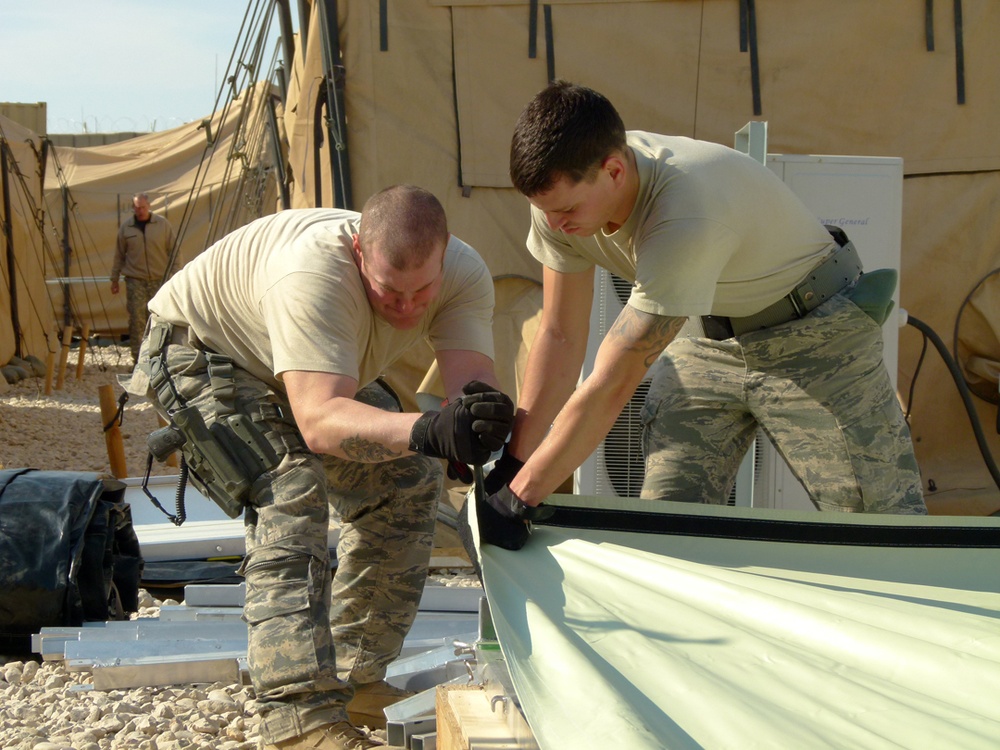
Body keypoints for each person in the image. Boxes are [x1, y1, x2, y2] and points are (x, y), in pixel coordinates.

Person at [125, 185, 513, 750]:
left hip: (304, 370)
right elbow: (320, 425)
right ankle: (298, 720)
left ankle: (356, 678)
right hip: (204, 351)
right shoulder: (312, 271)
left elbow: (468, 396)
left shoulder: (463, 271)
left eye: (421, 290)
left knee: (409, 476)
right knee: (289, 487)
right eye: (388, 289)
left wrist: (478, 437)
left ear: (446, 253)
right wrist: (429, 429)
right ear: (358, 251)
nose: (406, 307)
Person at [478, 81, 926, 550]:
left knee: (883, 531)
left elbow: (615, 378)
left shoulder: (684, 210)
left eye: (566, 209)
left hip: (814, 331)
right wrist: (514, 461)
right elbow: (560, 334)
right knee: (669, 528)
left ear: (614, 170)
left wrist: (520, 498)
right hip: (707, 337)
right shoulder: (557, 201)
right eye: (543, 210)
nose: (555, 225)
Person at [110, 192, 178, 364]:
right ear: (133, 207)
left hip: (159, 279)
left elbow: (174, 252)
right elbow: (119, 255)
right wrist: (114, 278)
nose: (139, 210)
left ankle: (163, 358)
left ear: (148, 206)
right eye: (136, 207)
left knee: (162, 319)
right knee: (137, 320)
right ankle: (139, 361)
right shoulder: (127, 228)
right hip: (136, 280)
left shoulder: (162, 225)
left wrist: (176, 276)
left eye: (142, 207)